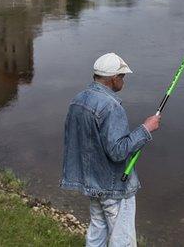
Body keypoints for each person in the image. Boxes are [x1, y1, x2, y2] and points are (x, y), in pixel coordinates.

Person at [61, 53, 160, 246]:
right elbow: (118, 151)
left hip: (93, 183)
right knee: (122, 239)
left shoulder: (78, 100)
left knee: (97, 230)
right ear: (114, 78)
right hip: (114, 187)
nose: (124, 81)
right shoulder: (111, 106)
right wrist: (146, 129)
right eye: (123, 76)